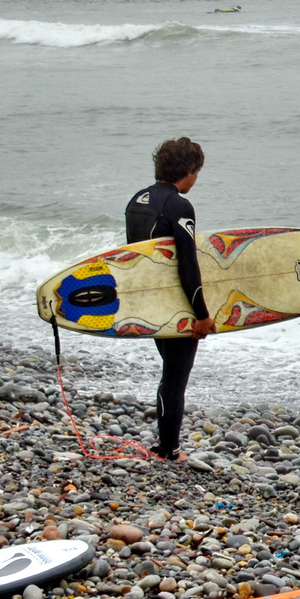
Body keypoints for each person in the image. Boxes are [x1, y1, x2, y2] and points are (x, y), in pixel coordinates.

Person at [125, 138, 215, 461]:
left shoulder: (136, 201)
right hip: (177, 306)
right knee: (175, 379)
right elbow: (186, 265)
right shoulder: (179, 206)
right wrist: (202, 314)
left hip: (150, 306)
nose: (196, 179)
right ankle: (169, 450)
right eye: (197, 172)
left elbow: (137, 262)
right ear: (188, 172)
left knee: (170, 373)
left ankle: (165, 445)